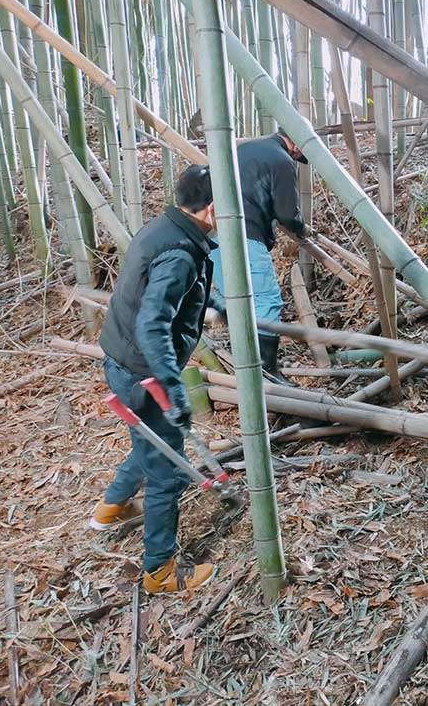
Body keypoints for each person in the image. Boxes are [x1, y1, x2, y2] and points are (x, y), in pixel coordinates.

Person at [90, 164, 221, 595]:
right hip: (143, 371)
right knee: (166, 471)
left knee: (148, 441)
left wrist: (218, 302)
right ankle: (161, 573)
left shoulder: (167, 227)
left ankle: (111, 507)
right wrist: (172, 384)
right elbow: (152, 325)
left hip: (122, 360)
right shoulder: (181, 253)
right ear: (212, 209)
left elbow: (171, 290)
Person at [209, 126, 309, 380]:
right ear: (296, 145)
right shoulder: (282, 160)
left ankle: (243, 363)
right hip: (245, 236)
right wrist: (301, 228)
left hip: (212, 233)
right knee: (266, 301)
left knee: (238, 299)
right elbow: (288, 213)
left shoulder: (245, 149)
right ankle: (266, 372)